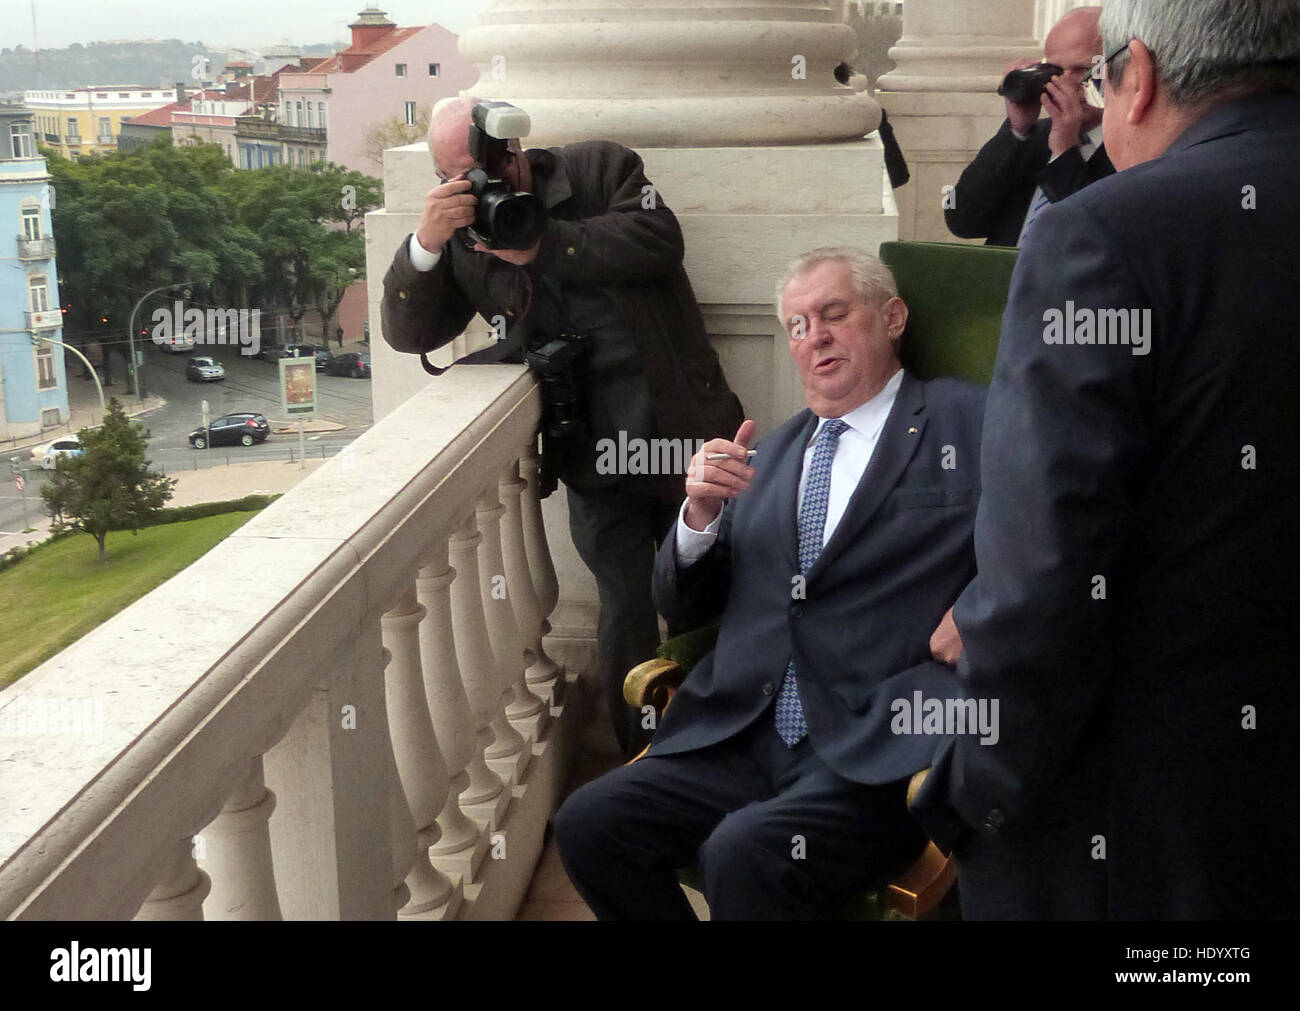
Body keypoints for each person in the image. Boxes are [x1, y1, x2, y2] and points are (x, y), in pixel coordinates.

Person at [912, 0, 1300, 919]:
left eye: (1093, 80)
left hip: (1153, 838)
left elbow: (1045, 569)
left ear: (1143, 74)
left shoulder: (1105, 232)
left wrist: (977, 791)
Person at [553, 248, 986, 919]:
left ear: (892, 317)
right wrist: (697, 516)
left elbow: (1063, 530)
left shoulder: (969, 421)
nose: (815, 336)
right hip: (738, 733)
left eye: (834, 314)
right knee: (588, 822)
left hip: (872, 743)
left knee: (744, 851)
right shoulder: (764, 457)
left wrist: (986, 606)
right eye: (797, 325)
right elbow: (684, 606)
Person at [381, 97, 743, 758]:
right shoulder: (466, 235)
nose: (487, 181)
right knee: (626, 610)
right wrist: (427, 244)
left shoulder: (601, 169)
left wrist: (543, 243)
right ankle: (645, 757)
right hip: (593, 450)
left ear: (516, 147)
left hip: (684, 426)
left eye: (491, 163)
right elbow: (410, 332)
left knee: (711, 594)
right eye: (461, 174)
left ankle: (724, 745)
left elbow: (659, 240)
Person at [944, 6, 1114, 247]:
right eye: (1054, 71)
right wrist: (1017, 131)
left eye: (1081, 70)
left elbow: (1096, 239)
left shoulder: (1132, 148)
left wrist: (1064, 154)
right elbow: (962, 219)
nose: (1063, 83)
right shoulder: (1035, 137)